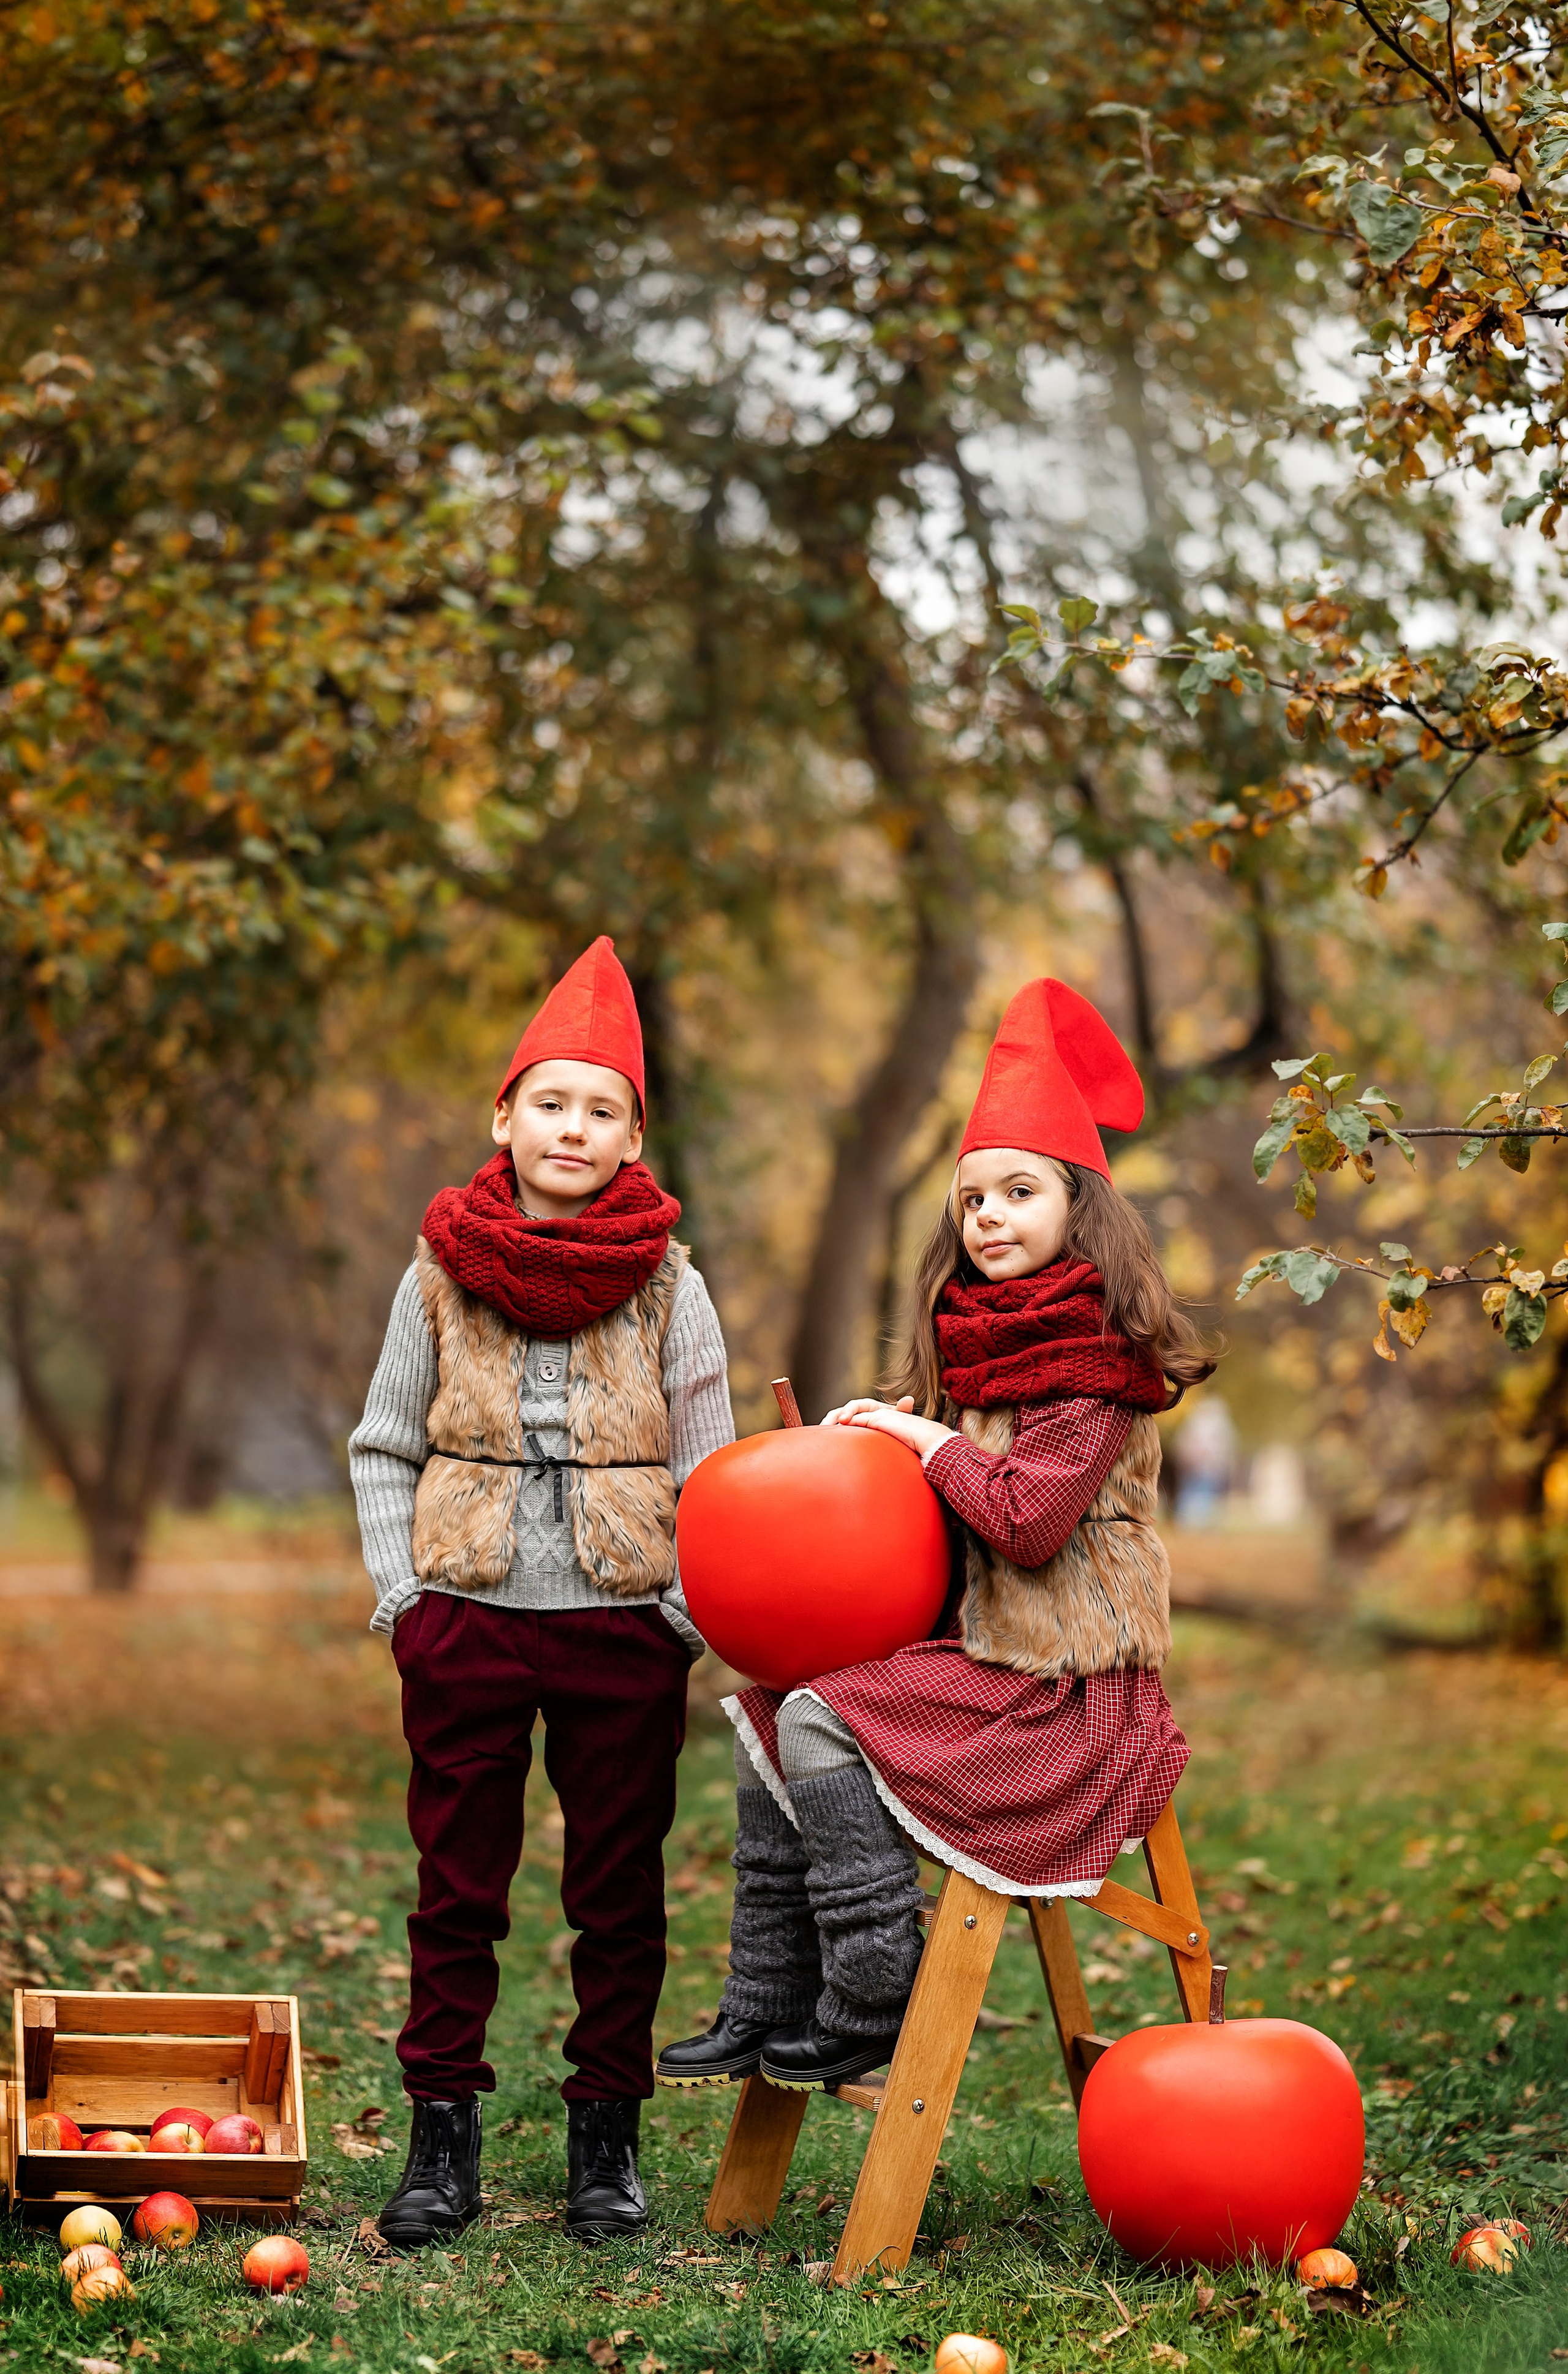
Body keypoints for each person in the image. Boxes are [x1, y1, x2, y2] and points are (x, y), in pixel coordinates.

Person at [657, 976, 1215, 2093]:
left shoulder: (1099, 1371)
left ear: (1081, 1212)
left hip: (1069, 1695)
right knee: (769, 1708)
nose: (991, 1217)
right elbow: (920, 1516)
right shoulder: (974, 1357)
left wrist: (923, 1446)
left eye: (1020, 1191)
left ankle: (874, 1991)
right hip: (981, 1668)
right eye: (973, 1201)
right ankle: (765, 1996)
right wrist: (860, 1463)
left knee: (819, 1717)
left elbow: (1025, 1517)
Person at [350, 937, 732, 2243]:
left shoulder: (671, 1287)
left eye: (602, 1110)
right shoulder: (439, 1273)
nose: (573, 1128)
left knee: (617, 1893)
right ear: (503, 1120)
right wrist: (406, 1597)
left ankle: (604, 2146)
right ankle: (439, 2141)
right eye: (550, 1103)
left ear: (633, 1140)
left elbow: (712, 1465)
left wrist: (684, 1611)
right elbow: (383, 1445)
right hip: (466, 1618)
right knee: (456, 1886)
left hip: (625, 1626)